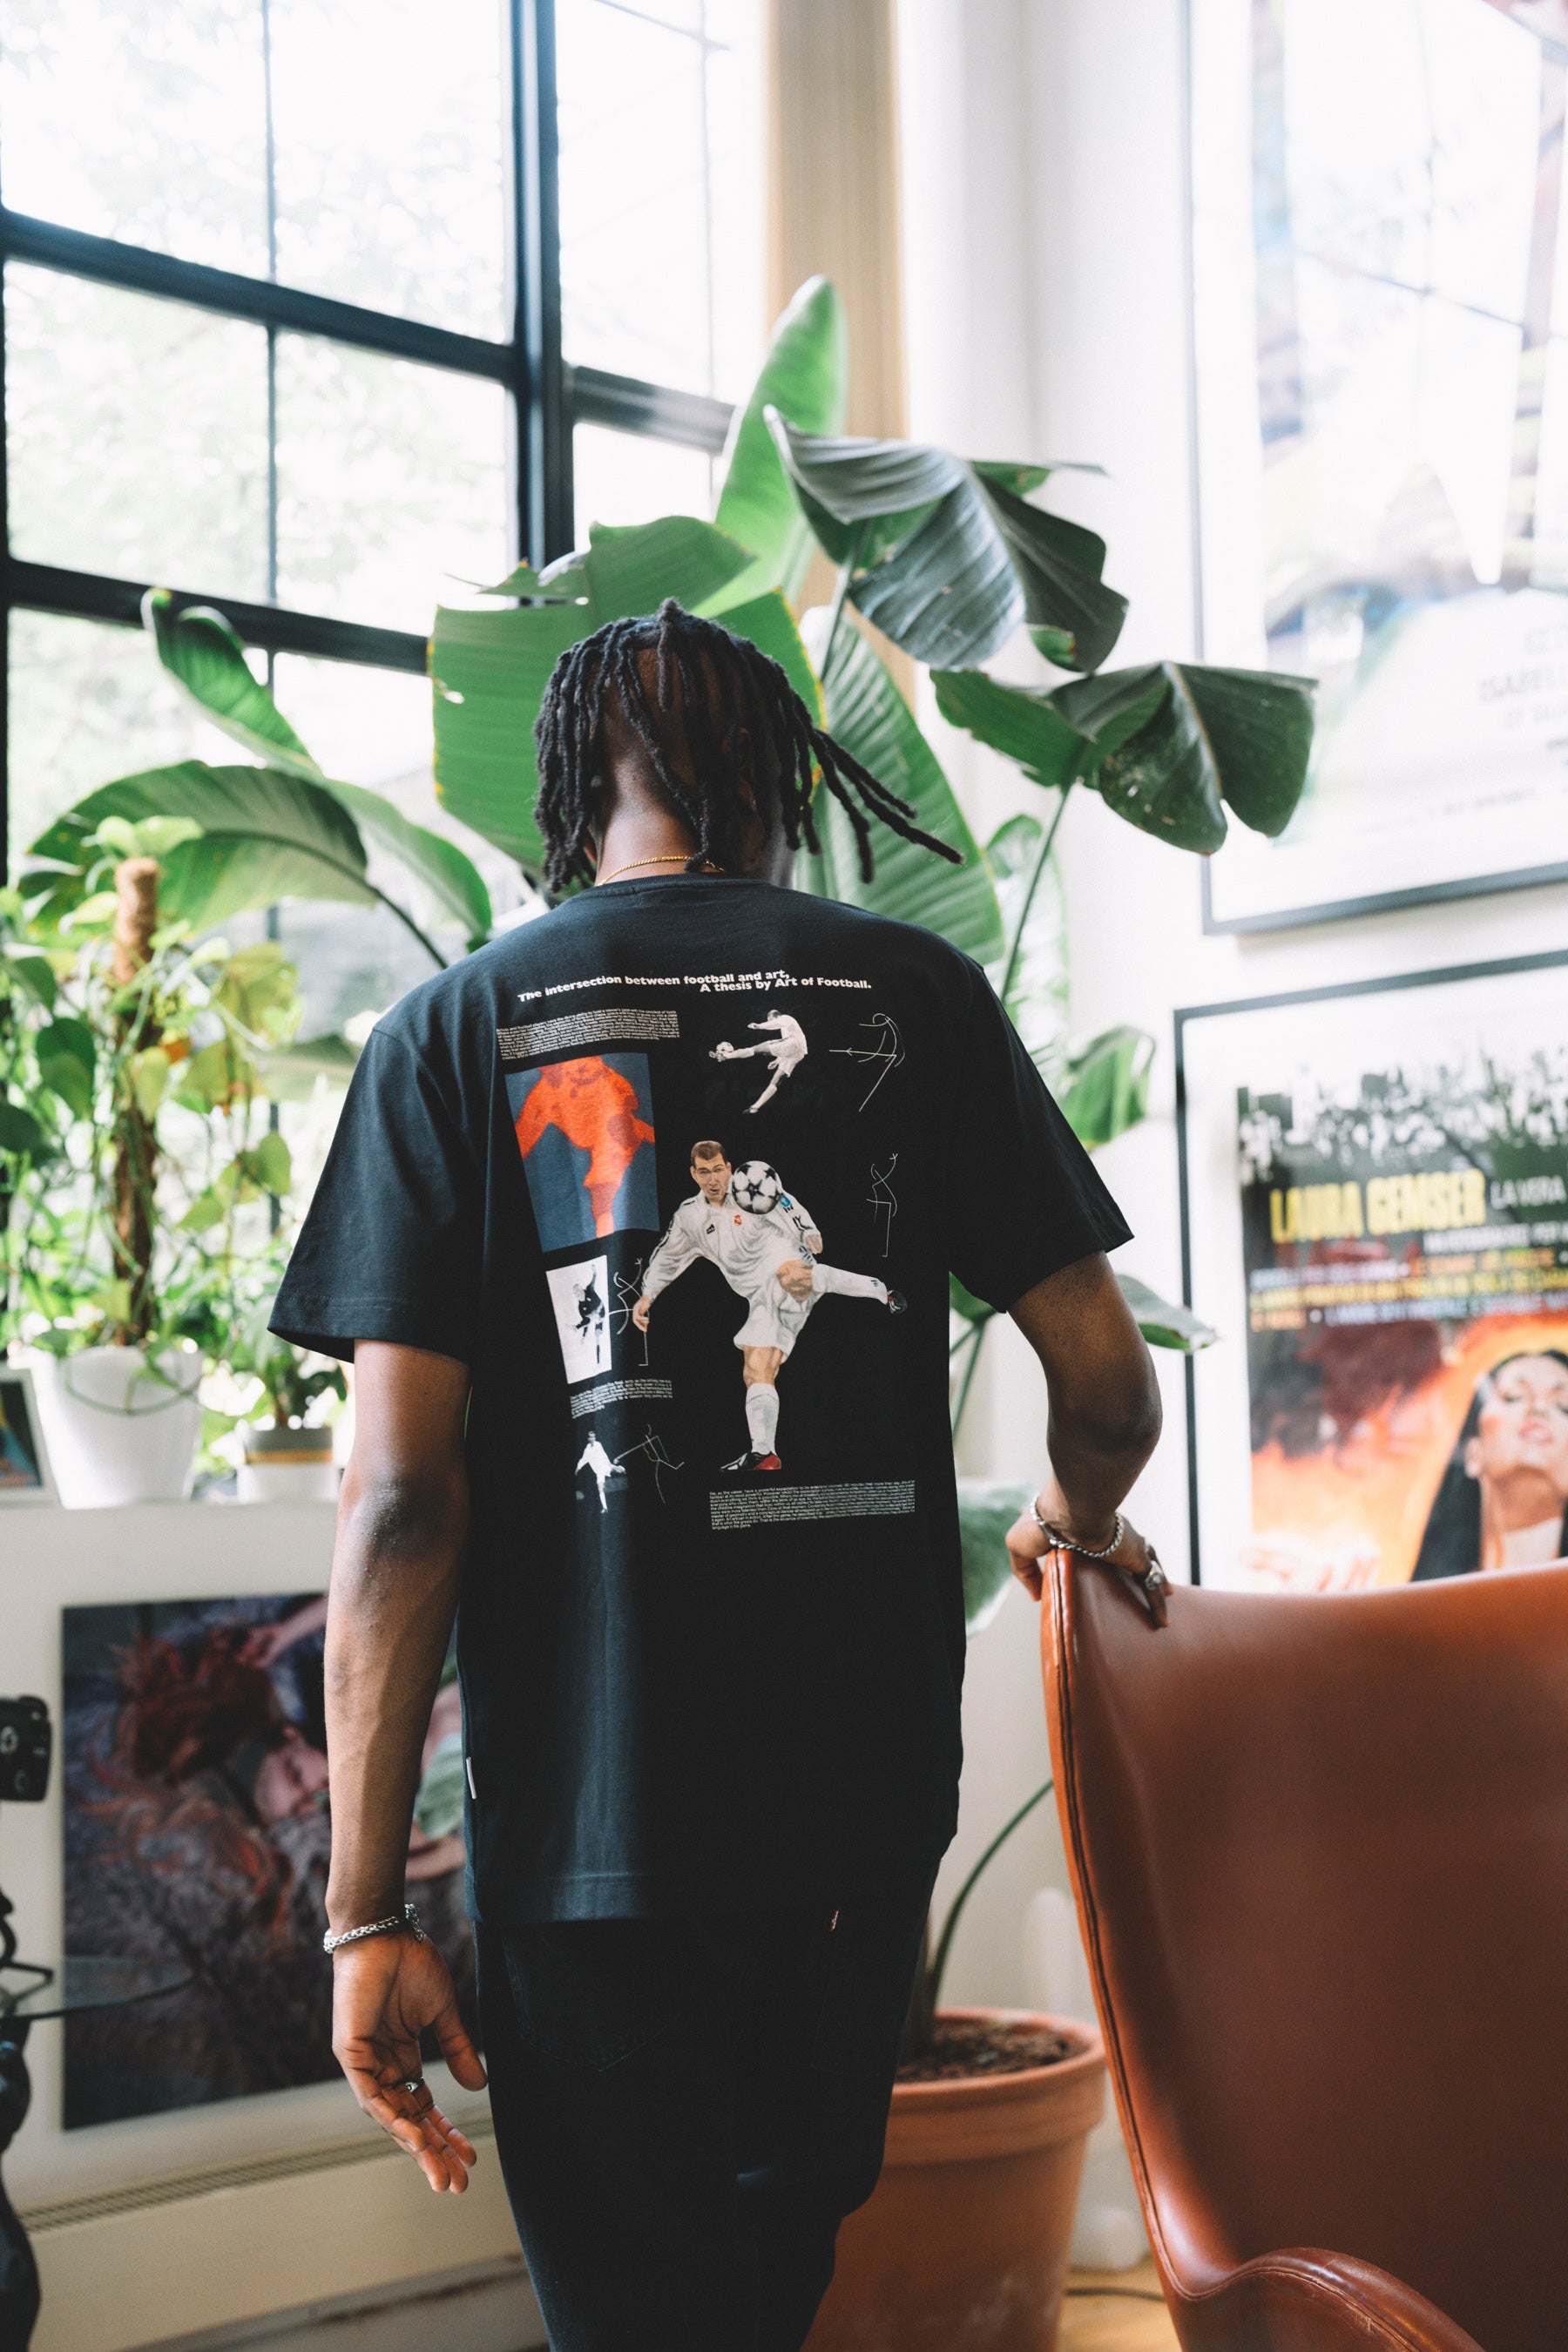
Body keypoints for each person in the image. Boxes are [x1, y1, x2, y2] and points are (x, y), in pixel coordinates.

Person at [270, 598, 1161, 2352]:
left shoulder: (450, 1032)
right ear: (772, 774)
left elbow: (400, 1504)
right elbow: (1110, 1388)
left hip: (590, 1832)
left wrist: (364, 1909)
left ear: (572, 777)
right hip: (854, 1815)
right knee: (769, 2290)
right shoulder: (913, 989)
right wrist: (1077, 1523)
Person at [633, 1138, 902, 1470]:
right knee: (757, 1369)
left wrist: (807, 1231)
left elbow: (786, 1202)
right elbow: (668, 1257)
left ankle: (882, 1292)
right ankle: (764, 1454)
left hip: (787, 1262)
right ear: (693, 1174)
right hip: (760, 1298)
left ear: (729, 1168)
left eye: (718, 1170)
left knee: (791, 1275)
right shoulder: (690, 1217)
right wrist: (647, 1294)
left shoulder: (750, 1188)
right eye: (704, 1172)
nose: (713, 1179)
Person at [1411, 1348, 1568, 1578]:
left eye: (1563, 1406)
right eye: (1514, 1396)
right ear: (1473, 1453)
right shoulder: (1413, 1591)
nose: (1539, 1408)